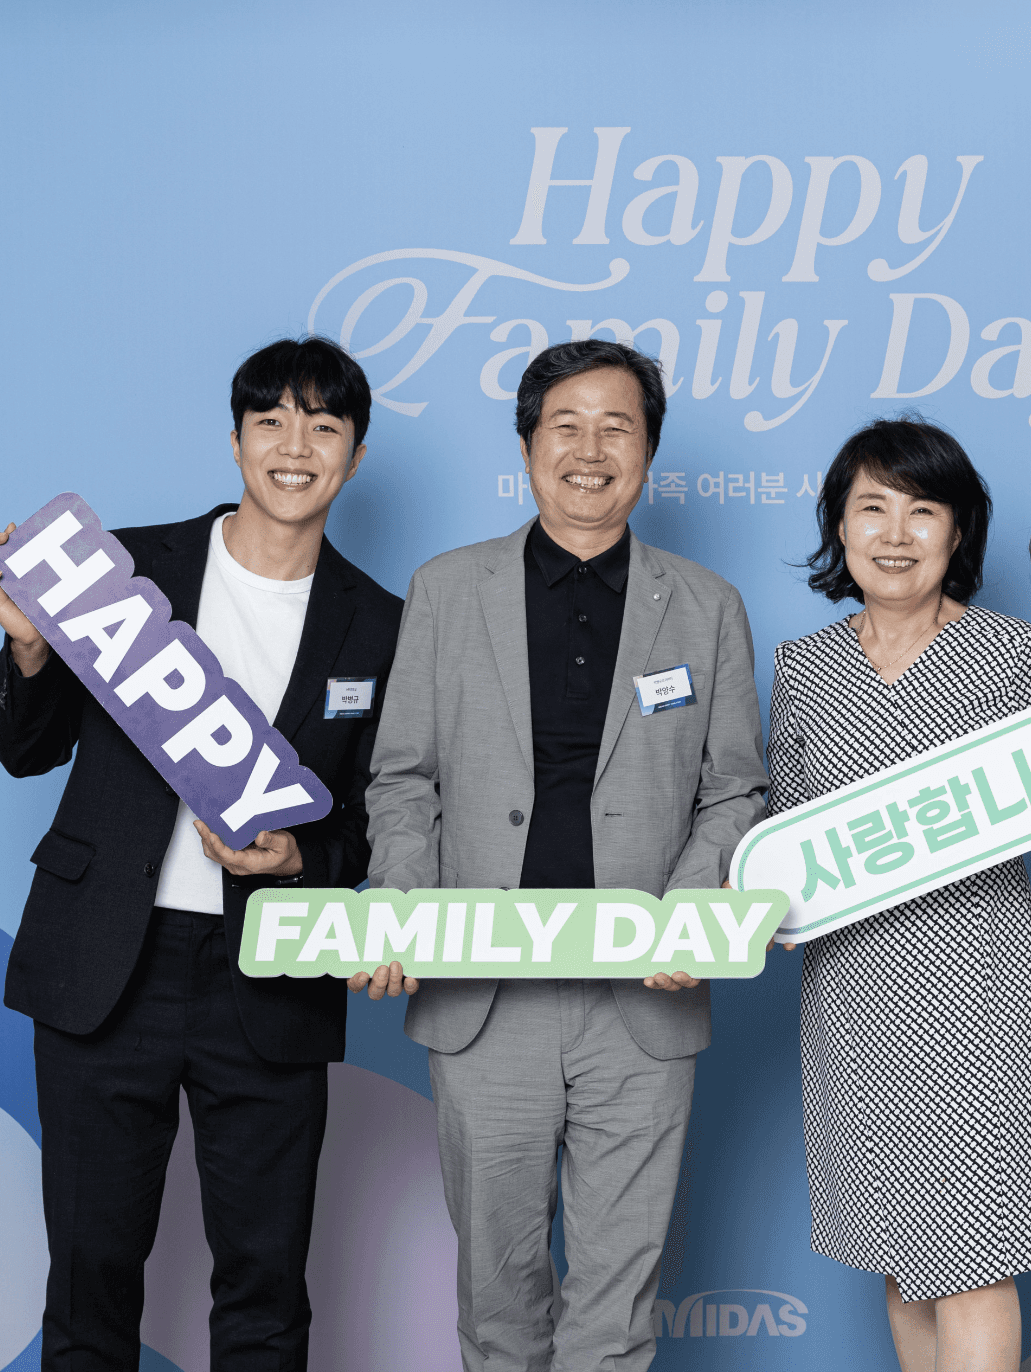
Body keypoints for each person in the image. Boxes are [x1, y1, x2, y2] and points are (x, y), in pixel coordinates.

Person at [0, 337, 405, 1371]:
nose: (295, 447)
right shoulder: (125, 575)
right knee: (90, 1275)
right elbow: (27, 752)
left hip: (270, 975)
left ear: (353, 457)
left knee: (266, 1286)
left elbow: (375, 820)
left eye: (323, 427)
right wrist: (29, 648)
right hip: (105, 964)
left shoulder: (384, 626)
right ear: (236, 441)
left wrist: (296, 858)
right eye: (272, 422)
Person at [352, 338, 768, 1372]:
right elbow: (402, 777)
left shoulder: (707, 605)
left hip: (644, 996)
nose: (590, 451)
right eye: (565, 427)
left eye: (616, 428)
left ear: (649, 452)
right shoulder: (447, 589)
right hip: (485, 989)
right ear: (528, 447)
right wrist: (400, 908)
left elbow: (733, 788)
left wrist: (687, 911)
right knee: (498, 1295)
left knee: (616, 1309)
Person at [765, 418, 1031, 1372]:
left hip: (978, 990)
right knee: (904, 1258)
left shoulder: (1012, 655)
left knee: (975, 1257)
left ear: (958, 531)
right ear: (839, 527)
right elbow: (783, 830)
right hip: (854, 997)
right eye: (873, 509)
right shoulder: (804, 666)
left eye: (923, 511)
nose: (896, 535)